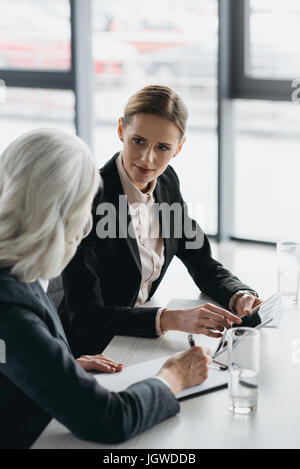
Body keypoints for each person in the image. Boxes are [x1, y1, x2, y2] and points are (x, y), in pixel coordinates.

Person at [0, 129, 215, 449]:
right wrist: (173, 378)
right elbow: (107, 418)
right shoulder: (9, 304)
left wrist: (53, 365)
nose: (85, 227)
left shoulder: (14, 265)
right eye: (82, 213)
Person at [59, 85, 260, 358]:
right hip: (89, 352)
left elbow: (201, 261)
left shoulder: (166, 183)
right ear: (121, 130)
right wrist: (170, 319)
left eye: (163, 147)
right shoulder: (88, 199)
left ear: (179, 148)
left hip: (135, 338)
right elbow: (84, 318)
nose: (147, 159)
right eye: (138, 141)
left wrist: (238, 294)